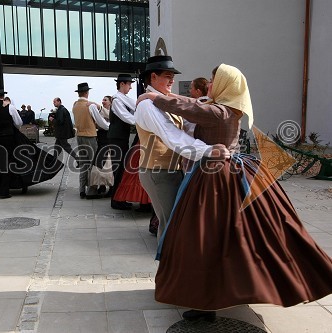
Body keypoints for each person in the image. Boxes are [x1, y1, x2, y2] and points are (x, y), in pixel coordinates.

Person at [141, 64, 332, 320]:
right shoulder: (228, 107)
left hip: (214, 176)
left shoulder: (219, 112)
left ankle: (204, 302)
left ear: (225, 85)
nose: (209, 84)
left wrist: (155, 97)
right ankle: (220, 293)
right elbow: (192, 102)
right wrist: (168, 96)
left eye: (213, 79)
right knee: (226, 236)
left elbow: (189, 107)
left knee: (203, 237)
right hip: (225, 172)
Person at [134, 55, 228, 244]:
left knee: (177, 221)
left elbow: (188, 125)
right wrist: (208, 150)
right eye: (168, 76)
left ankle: (173, 265)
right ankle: (167, 267)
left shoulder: (161, 101)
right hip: (157, 172)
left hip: (170, 170)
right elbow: (171, 136)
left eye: (173, 76)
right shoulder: (147, 105)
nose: (172, 80)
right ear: (153, 77)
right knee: (171, 224)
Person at [72, 82, 109, 199]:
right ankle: (92, 191)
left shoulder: (75, 105)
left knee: (83, 164)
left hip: (79, 136)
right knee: (94, 164)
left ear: (79, 93)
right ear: (87, 92)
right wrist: (109, 126)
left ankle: (82, 190)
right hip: (90, 136)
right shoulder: (90, 106)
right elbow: (101, 123)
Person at [107, 74, 137, 210]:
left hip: (120, 138)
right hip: (116, 139)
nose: (130, 87)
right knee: (118, 169)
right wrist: (141, 121)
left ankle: (120, 198)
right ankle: (116, 200)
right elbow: (126, 117)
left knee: (121, 169)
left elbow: (135, 105)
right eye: (129, 84)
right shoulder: (117, 100)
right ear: (122, 84)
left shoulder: (123, 98)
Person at [88, 95, 112, 194]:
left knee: (107, 166)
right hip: (101, 140)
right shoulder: (100, 113)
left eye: (105, 100)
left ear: (111, 102)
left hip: (108, 141)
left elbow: (109, 116)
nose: (103, 101)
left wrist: (98, 106)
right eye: (102, 100)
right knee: (98, 166)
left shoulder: (112, 112)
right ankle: (101, 185)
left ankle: (110, 186)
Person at [50, 97, 77, 165]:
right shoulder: (61, 109)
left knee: (66, 147)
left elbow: (60, 122)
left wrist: (52, 120)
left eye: (55, 102)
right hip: (61, 133)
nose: (53, 103)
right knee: (57, 148)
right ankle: (53, 161)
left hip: (62, 133)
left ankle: (78, 159)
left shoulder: (61, 110)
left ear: (59, 101)